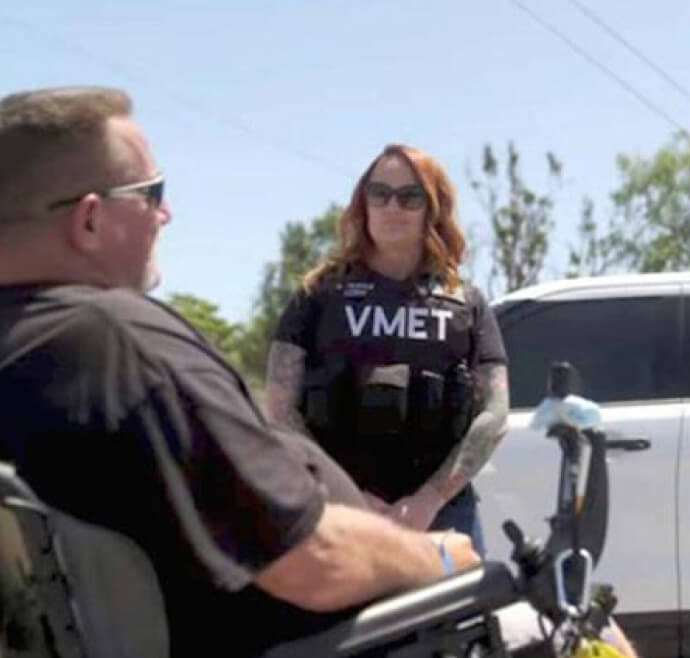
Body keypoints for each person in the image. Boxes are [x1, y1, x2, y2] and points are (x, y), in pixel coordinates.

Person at [0, 85, 480, 658]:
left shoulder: (32, 349)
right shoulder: (118, 346)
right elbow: (313, 563)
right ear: (91, 220)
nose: (166, 213)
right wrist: (442, 555)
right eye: (152, 192)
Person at [265, 143, 509, 555]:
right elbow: (279, 409)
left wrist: (428, 500)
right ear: (364, 204)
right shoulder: (317, 296)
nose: (392, 206)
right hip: (336, 515)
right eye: (379, 194)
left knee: (459, 623)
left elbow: (495, 413)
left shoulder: (466, 303)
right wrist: (348, 496)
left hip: (441, 518)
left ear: (432, 208)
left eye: (409, 196)